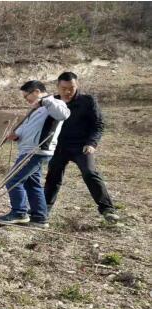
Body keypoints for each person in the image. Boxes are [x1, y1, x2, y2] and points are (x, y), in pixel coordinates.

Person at [44, 72, 120, 223]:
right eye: (64, 88)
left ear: (76, 85)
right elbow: (44, 125)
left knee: (90, 173)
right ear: (58, 87)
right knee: (53, 175)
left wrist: (92, 143)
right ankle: (44, 209)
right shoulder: (52, 102)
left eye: (71, 88)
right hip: (59, 147)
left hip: (82, 146)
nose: (67, 91)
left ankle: (107, 210)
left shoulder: (88, 101)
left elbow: (98, 124)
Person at [0, 80, 70, 228]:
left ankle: (19, 212)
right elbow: (31, 127)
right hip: (29, 150)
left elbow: (63, 115)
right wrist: (16, 134)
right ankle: (40, 217)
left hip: (37, 151)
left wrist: (45, 100)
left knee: (13, 180)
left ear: (36, 91)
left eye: (26, 96)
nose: (26, 100)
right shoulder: (37, 108)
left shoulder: (54, 102)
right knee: (32, 183)